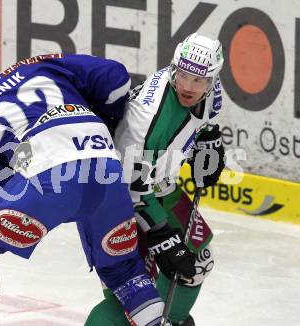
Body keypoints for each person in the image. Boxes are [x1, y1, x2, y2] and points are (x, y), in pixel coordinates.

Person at [0, 48, 174, 326]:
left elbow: (11, 187)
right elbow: (116, 77)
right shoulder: (40, 64)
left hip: (50, 179)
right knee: (123, 271)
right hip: (108, 169)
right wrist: (105, 123)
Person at [85, 33, 225, 326]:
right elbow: (130, 187)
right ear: (174, 68)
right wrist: (162, 235)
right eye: (183, 75)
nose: (188, 86)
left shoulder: (212, 91)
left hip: (157, 185)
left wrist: (207, 140)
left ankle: (170, 320)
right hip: (113, 196)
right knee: (129, 291)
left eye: (198, 80)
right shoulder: (146, 119)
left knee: (197, 259)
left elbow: (202, 123)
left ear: (212, 78)